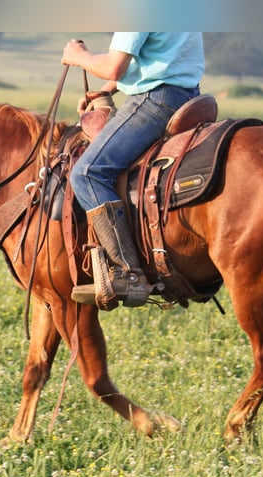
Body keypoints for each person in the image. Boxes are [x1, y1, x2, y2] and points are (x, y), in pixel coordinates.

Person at [61, 33, 205, 310]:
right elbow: (156, 58)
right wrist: (106, 90)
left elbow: (114, 66)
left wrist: (78, 57)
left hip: (155, 101)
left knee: (87, 173)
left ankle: (128, 273)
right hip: (188, 96)